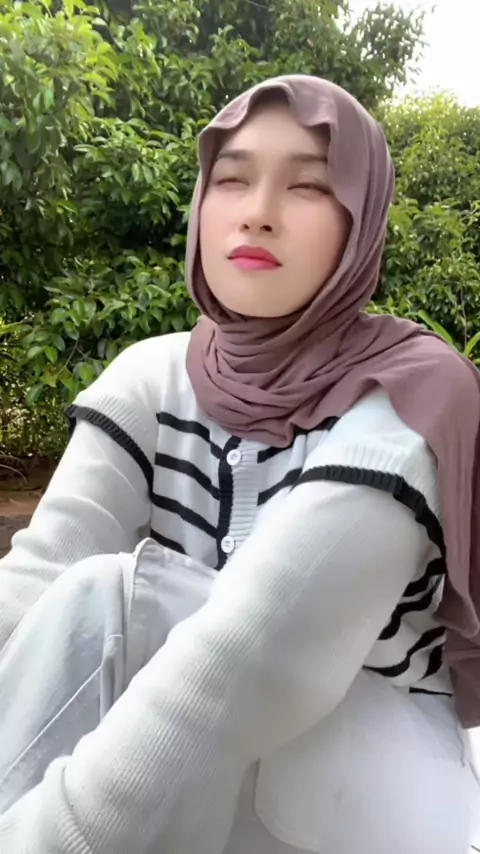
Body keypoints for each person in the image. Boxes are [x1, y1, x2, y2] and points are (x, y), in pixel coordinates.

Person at [0, 74, 480, 854]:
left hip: (378, 790)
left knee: (112, 598)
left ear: (361, 222)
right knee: (77, 595)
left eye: (308, 186)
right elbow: (36, 579)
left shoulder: (413, 395)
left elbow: (247, 654)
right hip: (195, 777)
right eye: (231, 179)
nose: (258, 211)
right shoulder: (155, 374)